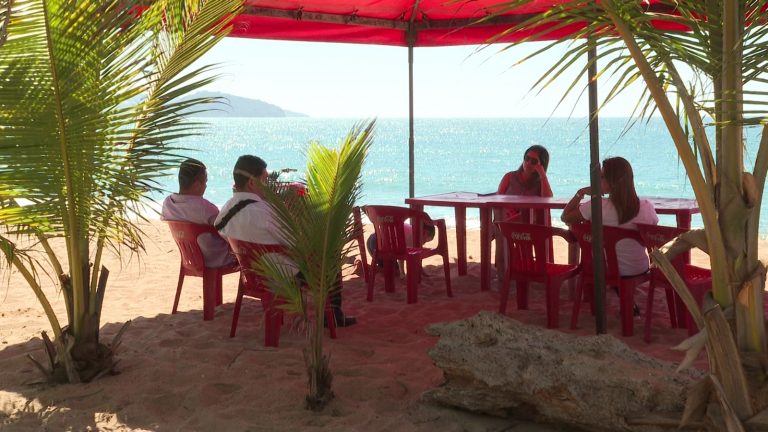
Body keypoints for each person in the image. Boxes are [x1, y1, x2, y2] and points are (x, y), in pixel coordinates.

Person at [214, 155, 356, 327]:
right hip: (281, 276)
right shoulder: (264, 212)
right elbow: (297, 243)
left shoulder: (227, 208)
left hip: (251, 274)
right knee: (331, 256)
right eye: (265, 180)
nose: (269, 185)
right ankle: (333, 316)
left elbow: (221, 230)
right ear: (252, 183)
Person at [561, 156, 658, 278]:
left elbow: (565, 217)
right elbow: (652, 237)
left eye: (601, 177)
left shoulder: (597, 206)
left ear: (612, 181)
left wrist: (580, 192)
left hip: (605, 270)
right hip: (637, 269)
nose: (598, 180)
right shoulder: (646, 207)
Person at [161, 158, 234, 268]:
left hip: (190, 258)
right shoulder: (205, 208)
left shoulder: (168, 203)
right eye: (205, 182)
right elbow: (228, 234)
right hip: (216, 259)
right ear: (196, 185)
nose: (206, 186)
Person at [493, 145, 553, 273]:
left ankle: (515, 265)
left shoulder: (540, 182)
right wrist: (508, 210)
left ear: (541, 164)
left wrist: (542, 174)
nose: (528, 163)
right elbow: (498, 199)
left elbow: (548, 199)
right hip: (508, 218)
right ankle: (504, 267)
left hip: (528, 223)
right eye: (527, 158)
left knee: (502, 226)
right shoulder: (510, 177)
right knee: (497, 223)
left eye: (534, 161)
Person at [366, 221, 436, 278]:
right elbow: (401, 256)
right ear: (424, 233)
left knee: (388, 267)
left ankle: (372, 268)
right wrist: (402, 273)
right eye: (426, 241)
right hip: (380, 243)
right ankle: (368, 268)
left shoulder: (410, 228)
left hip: (373, 239)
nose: (424, 244)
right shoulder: (412, 237)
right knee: (395, 272)